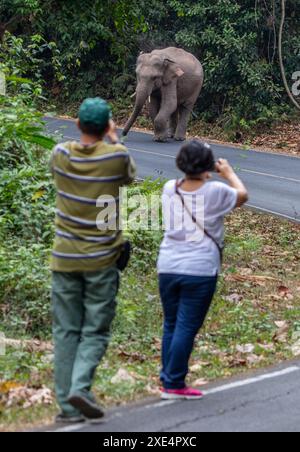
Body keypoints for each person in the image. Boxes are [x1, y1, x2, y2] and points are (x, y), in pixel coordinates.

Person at [50, 98, 136, 423]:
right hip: (101, 260)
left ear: (77, 125)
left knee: (65, 331)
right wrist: (114, 137)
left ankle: (68, 408)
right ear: (107, 127)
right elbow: (128, 176)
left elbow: (66, 156)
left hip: (64, 258)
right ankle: (80, 387)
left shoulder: (60, 154)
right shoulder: (116, 156)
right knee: (95, 330)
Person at [157, 139, 248, 400]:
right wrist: (229, 173)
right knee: (186, 326)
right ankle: (174, 384)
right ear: (208, 167)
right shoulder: (217, 191)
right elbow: (243, 195)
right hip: (200, 269)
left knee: (171, 324)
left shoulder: (169, 188)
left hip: (168, 265)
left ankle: (168, 379)